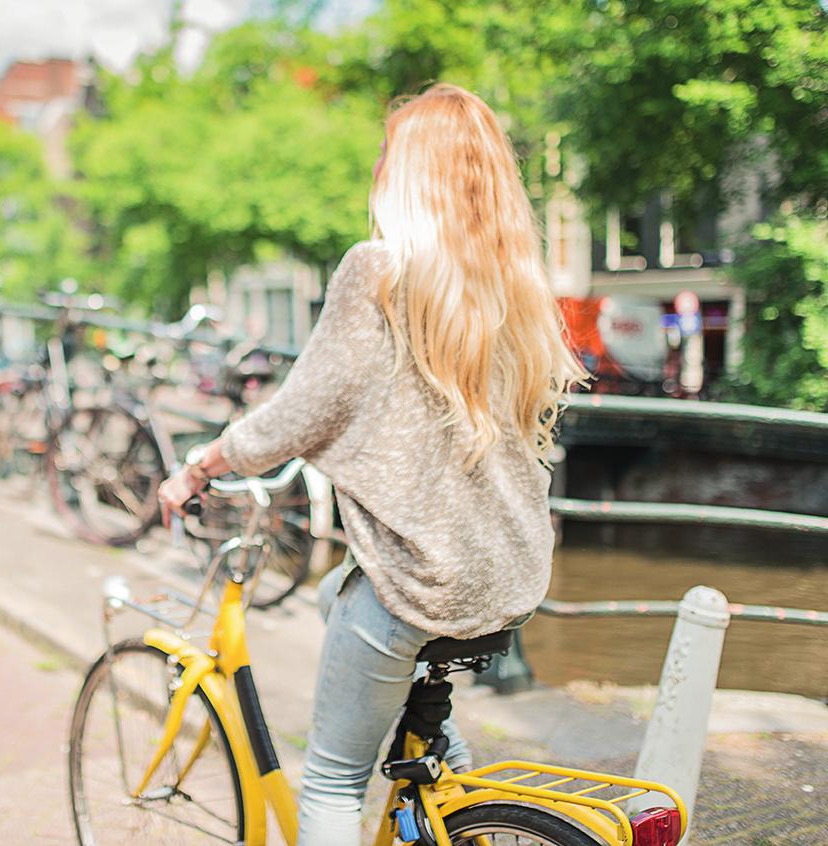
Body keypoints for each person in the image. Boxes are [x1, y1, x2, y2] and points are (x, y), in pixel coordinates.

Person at [158, 82, 587, 846]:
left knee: (328, 782)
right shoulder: (512, 287)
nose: (377, 167)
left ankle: (435, 791)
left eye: (388, 154)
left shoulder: (378, 271)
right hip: (507, 574)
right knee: (334, 595)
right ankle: (450, 798)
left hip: (420, 583)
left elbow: (300, 411)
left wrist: (202, 464)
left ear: (410, 175)